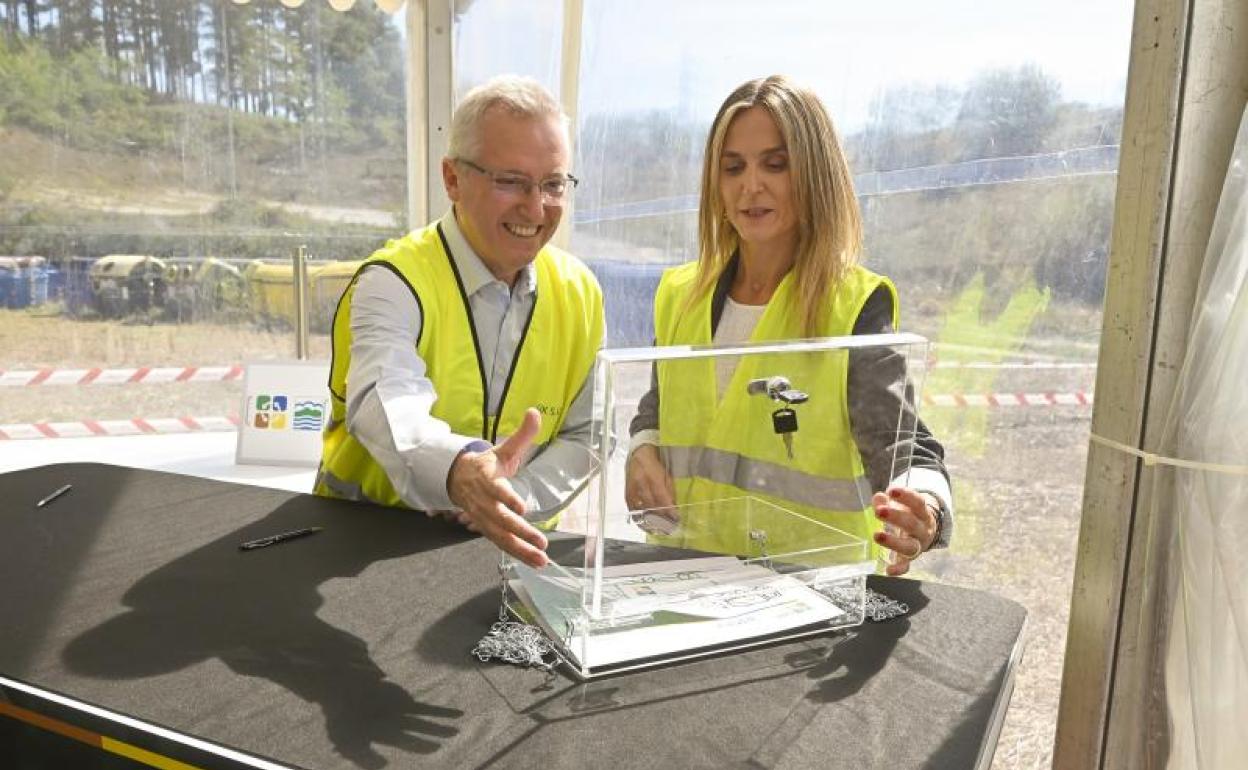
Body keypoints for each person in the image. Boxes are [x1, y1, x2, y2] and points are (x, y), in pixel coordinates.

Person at [625, 75, 951, 576]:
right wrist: (642, 448)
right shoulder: (679, 294)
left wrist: (924, 506)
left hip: (809, 596)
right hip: (686, 575)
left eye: (775, 165)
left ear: (815, 174)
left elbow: (900, 443)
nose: (750, 186)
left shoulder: (852, 306)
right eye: (733, 167)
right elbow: (660, 404)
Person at [316, 75, 605, 570]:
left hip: (511, 555)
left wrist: (511, 499)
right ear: (452, 178)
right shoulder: (392, 281)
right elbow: (384, 401)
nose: (536, 208)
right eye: (511, 181)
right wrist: (458, 470)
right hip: (367, 550)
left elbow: (589, 434)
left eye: (553, 184)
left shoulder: (580, 291)